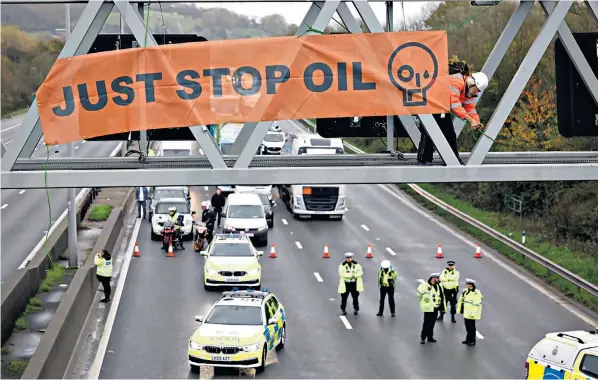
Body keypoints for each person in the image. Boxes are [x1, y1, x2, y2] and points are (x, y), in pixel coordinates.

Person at [416, 62, 488, 166]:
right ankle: (423, 161)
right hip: (429, 104)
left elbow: (470, 109)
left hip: (440, 108)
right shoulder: (457, 81)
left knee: (450, 134)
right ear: (472, 83)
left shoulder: (467, 91)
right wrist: (470, 120)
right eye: (476, 90)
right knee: (428, 133)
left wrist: (476, 121)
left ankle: (452, 160)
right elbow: (455, 106)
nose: (476, 93)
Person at [457, 278, 483, 346]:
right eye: (467, 284)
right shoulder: (465, 291)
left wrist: (473, 313)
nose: (466, 285)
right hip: (466, 312)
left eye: (468, 284)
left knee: (472, 327)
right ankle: (468, 339)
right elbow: (461, 300)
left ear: (471, 285)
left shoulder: (476, 293)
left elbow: (476, 304)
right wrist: (460, 309)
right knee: (467, 327)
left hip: (472, 314)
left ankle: (472, 340)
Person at [417, 273, 440, 344]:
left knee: (432, 323)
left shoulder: (438, 286)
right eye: (438, 278)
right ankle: (423, 337)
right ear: (433, 278)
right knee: (426, 323)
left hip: (435, 307)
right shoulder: (424, 286)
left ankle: (430, 337)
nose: (439, 279)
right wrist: (424, 303)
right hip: (428, 308)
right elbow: (419, 295)